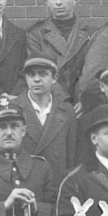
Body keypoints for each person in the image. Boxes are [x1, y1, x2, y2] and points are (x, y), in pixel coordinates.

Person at [24, 0, 98, 108]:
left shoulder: (92, 33)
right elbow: (38, 72)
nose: (58, 2)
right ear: (46, 1)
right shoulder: (36, 34)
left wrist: (84, 101)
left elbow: (93, 72)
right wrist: (64, 103)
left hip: (85, 104)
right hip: (51, 103)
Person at [15, 56, 78, 187]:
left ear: (54, 78)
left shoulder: (67, 112)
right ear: (26, 78)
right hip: (22, 188)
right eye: (31, 75)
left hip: (55, 187)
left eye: (43, 74)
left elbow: (71, 158)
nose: (36, 79)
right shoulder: (13, 108)